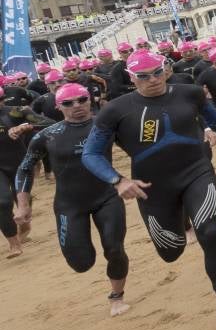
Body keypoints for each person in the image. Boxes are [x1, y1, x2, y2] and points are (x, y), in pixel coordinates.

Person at [82, 49, 216, 330]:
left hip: (196, 172)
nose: (153, 80)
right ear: (131, 77)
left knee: (209, 231)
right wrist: (119, 180)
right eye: (144, 76)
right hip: (152, 187)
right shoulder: (116, 110)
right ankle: (182, 210)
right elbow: (91, 153)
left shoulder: (190, 93)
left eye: (158, 72)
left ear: (166, 69)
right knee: (170, 251)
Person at [14, 83, 131, 316]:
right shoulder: (47, 135)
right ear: (58, 106)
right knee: (81, 263)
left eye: (82, 99)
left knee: (115, 248)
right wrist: (24, 204)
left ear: (90, 99)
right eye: (68, 103)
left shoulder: (106, 125)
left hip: (107, 197)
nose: (76, 105)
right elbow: (25, 168)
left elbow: (140, 146)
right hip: (69, 204)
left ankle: (116, 296)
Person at [2, 98, 56, 257]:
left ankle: (25, 226)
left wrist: (25, 126)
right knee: (2, 202)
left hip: (19, 164)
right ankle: (14, 244)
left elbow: (51, 124)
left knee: (21, 200)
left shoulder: (17, 112)